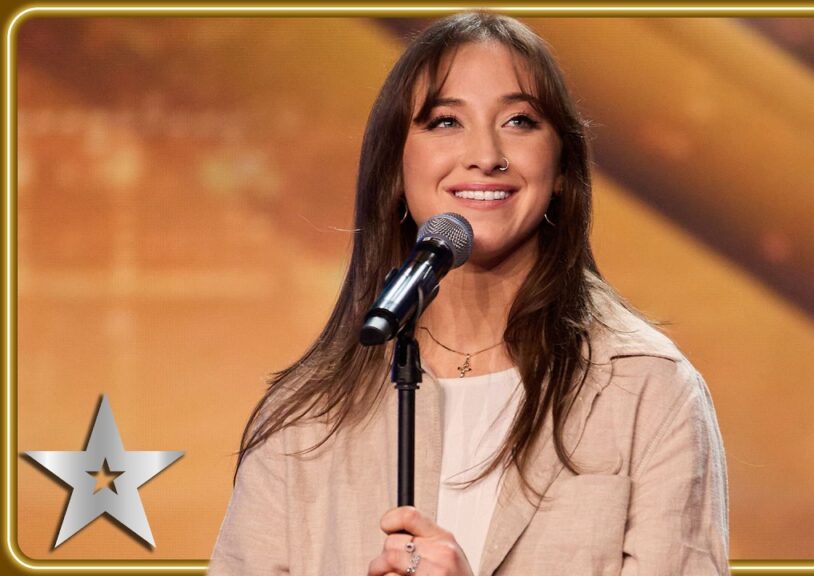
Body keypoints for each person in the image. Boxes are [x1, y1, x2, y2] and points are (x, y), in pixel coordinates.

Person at [208, 11, 729, 576]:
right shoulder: (306, 417)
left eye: (520, 121)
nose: (485, 154)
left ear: (561, 168)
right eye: (445, 122)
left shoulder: (647, 390)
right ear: (395, 166)